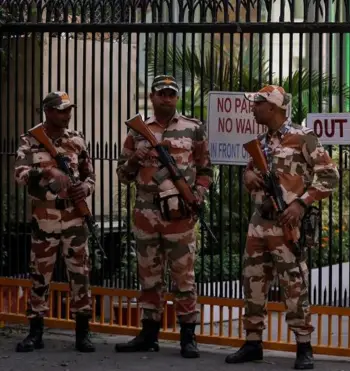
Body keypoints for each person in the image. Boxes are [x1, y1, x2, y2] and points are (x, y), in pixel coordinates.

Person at [224, 85, 340, 369]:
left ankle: (303, 346)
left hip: (287, 226)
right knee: (252, 283)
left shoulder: (303, 137)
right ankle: (252, 343)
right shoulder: (260, 142)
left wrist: (301, 203)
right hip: (258, 224)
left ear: (273, 108)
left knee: (294, 286)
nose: (253, 109)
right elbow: (250, 170)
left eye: (258, 104)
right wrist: (248, 175)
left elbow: (330, 176)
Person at [114, 75, 212, 359]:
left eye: (171, 94)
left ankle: (187, 337)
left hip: (180, 216)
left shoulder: (193, 129)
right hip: (146, 214)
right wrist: (135, 157)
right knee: (148, 276)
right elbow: (123, 175)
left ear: (177, 97)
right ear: (153, 98)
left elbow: (206, 170)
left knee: (184, 278)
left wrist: (197, 196)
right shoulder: (137, 132)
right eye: (161, 93)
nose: (166, 98)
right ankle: (148, 334)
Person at [13, 91, 96, 353]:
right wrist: (46, 170)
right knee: (40, 276)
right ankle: (35, 333)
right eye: (61, 110)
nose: (67, 114)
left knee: (80, 275)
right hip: (44, 220)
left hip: (74, 220)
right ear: (48, 111)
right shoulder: (30, 140)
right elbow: (20, 174)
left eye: (69, 109)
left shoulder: (77, 140)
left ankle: (83, 334)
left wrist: (86, 189)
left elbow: (90, 176)